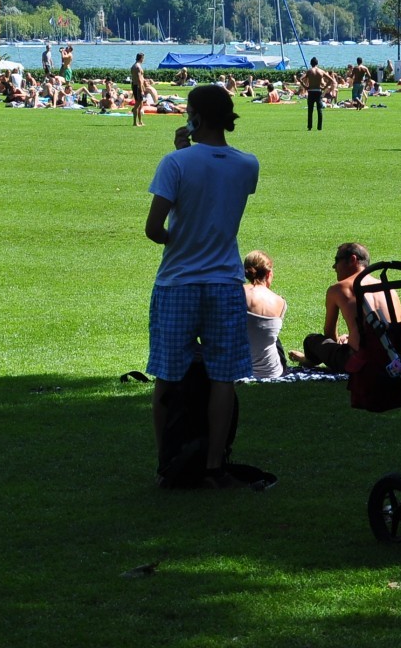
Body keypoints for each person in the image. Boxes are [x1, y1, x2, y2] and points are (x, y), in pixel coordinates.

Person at [144, 84, 260, 486]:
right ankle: (215, 464)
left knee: (167, 375)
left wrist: (178, 239)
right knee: (222, 377)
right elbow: (217, 198)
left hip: (178, 282)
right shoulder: (248, 165)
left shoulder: (175, 164)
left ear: (195, 116)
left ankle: (167, 463)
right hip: (225, 282)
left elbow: (154, 229)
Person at [290, 242, 401, 372]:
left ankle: (308, 361)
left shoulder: (338, 289)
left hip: (361, 361)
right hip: (394, 357)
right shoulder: (388, 289)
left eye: (337, 260)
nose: (334, 266)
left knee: (312, 340)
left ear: (352, 260)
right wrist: (351, 338)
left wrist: (343, 342)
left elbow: (329, 335)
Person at [242, 250, 287, 380]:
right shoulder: (280, 302)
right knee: (272, 336)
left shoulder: (236, 294)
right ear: (268, 273)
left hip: (238, 369)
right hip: (272, 371)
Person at [301, 58, 327, 131]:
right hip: (318, 91)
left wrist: (305, 87)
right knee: (319, 110)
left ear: (311, 63)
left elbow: (301, 79)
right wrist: (324, 87)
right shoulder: (321, 71)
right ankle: (319, 127)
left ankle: (309, 127)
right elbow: (331, 79)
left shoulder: (309, 71)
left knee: (310, 110)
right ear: (317, 63)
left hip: (311, 91)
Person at [130, 53, 147, 128]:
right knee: (138, 104)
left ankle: (140, 121)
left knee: (141, 104)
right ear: (141, 58)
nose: (143, 60)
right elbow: (140, 79)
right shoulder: (138, 67)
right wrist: (142, 89)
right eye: (143, 58)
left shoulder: (134, 66)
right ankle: (134, 121)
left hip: (135, 85)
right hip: (138, 86)